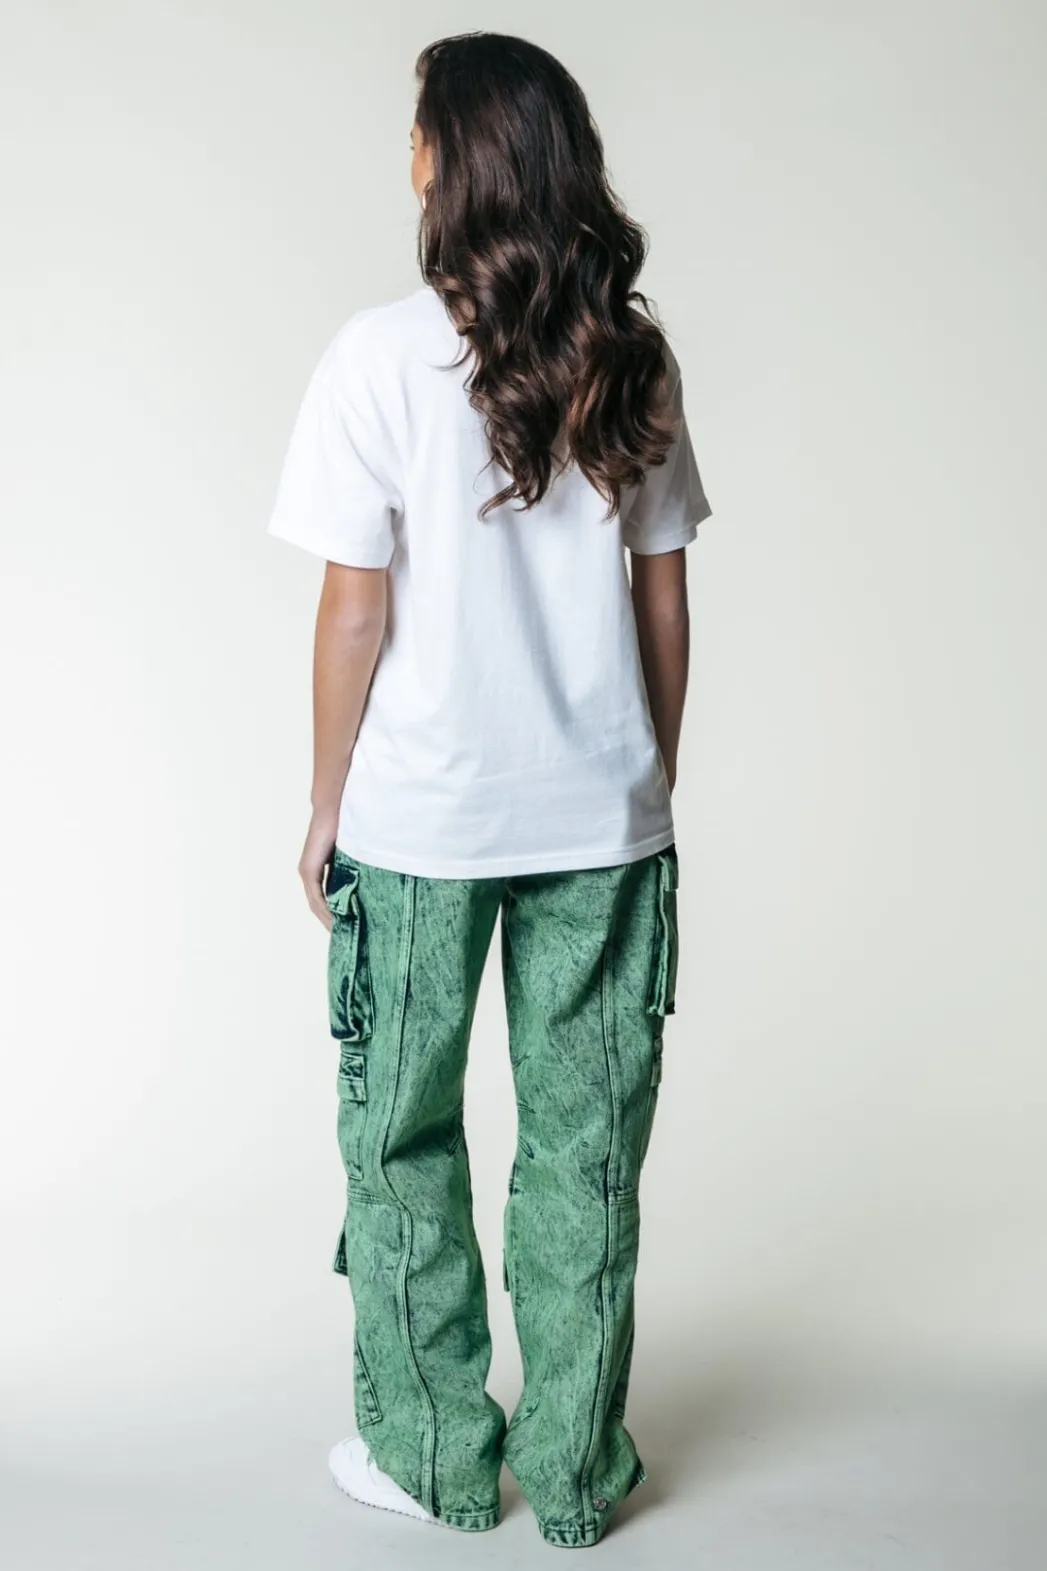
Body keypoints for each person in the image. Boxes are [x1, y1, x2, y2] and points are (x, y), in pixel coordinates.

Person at [267, 30, 711, 1550]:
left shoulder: (376, 356)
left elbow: (352, 610)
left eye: (416, 128)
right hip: (604, 820)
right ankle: (575, 1479)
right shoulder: (630, 356)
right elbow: (663, 597)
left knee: (402, 1142)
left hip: (420, 821)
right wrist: (646, 775)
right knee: (587, 1158)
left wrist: (323, 804)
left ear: (444, 162)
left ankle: (436, 1460)